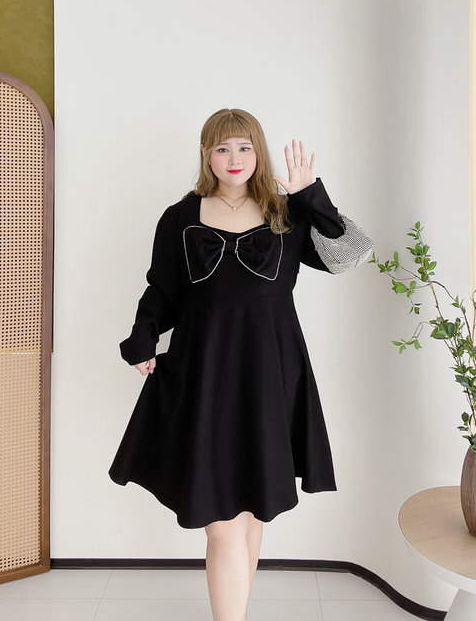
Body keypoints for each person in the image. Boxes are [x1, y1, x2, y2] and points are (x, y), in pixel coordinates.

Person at [108, 107, 373, 621]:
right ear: (206, 154)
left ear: (259, 152)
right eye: (223, 148)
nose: (234, 158)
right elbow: (162, 290)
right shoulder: (180, 217)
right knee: (223, 524)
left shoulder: (288, 214)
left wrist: (311, 196)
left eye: (245, 147)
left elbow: (351, 254)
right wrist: (142, 338)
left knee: (251, 514)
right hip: (204, 374)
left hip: (270, 374)